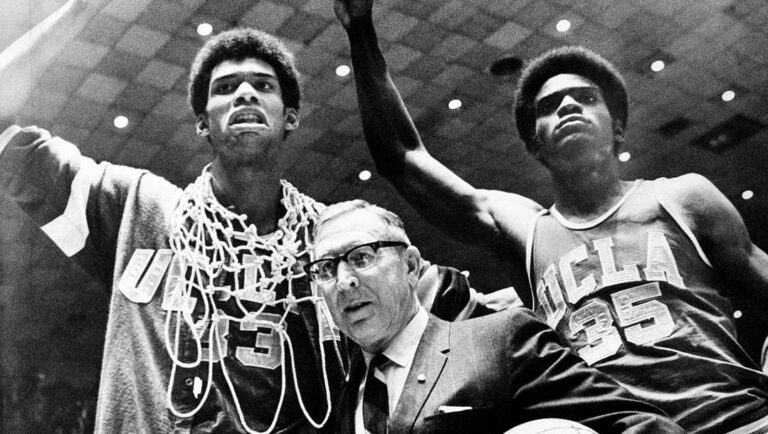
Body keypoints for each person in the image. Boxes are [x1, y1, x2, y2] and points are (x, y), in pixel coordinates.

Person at [0, 2, 510, 431]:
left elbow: (478, 314)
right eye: (225, 88)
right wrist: (82, 8)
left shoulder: (337, 240)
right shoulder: (135, 206)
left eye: (263, 86)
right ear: (202, 124)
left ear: (291, 117)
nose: (244, 93)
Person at [332, 0, 768, 432]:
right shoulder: (527, 230)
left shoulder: (682, 198)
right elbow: (402, 156)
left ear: (617, 127)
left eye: (587, 98)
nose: (569, 106)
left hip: (734, 420)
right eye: (550, 105)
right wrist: (360, 30)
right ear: (534, 144)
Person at [308, 199, 685, 433]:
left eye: (361, 257)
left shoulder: (501, 339)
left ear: (410, 266)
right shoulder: (343, 405)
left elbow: (641, 425)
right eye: (325, 269)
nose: (344, 281)